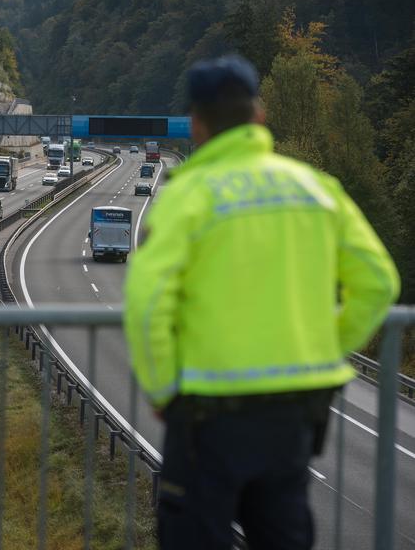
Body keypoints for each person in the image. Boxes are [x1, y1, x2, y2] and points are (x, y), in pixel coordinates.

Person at [123, 55, 399, 549]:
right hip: (296, 412)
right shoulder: (316, 188)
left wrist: (164, 389)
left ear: (197, 124)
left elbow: (147, 300)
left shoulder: (189, 196)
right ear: (259, 115)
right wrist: (324, 345)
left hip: (208, 416)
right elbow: (379, 282)